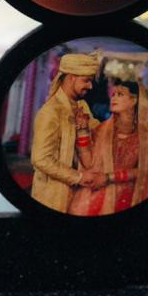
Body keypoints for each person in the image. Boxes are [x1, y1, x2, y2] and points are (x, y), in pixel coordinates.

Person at [70, 80, 148, 216]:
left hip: (131, 195)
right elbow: (88, 163)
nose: (113, 98)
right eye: (113, 94)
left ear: (134, 101)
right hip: (99, 191)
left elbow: (147, 170)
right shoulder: (102, 129)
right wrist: (82, 130)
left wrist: (109, 177)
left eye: (120, 94)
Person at [29, 52, 103, 213]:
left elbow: (99, 132)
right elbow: (41, 159)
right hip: (53, 196)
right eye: (86, 80)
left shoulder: (81, 105)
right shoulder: (51, 112)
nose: (90, 86)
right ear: (71, 78)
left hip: (79, 193)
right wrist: (78, 177)